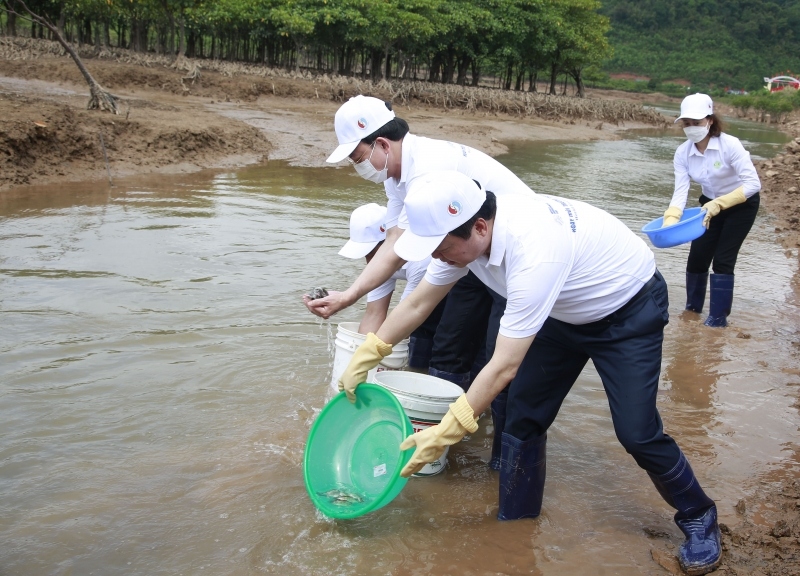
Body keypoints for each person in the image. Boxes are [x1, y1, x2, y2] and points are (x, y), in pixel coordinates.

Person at [338, 171, 722, 576]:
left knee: (636, 431)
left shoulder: (534, 248)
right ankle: (515, 527)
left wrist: (447, 431)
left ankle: (698, 515)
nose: (435, 256)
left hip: (625, 310)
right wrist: (368, 353)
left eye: (439, 248)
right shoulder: (459, 240)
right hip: (560, 311)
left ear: (480, 227)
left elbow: (503, 365)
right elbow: (418, 305)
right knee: (522, 420)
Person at [304, 95, 536, 468]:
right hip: (469, 254)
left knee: (499, 358)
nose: (358, 167)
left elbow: (411, 275)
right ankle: (453, 443)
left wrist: (372, 347)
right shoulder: (398, 178)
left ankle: (497, 464)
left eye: (358, 158)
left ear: (381, 143)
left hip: (511, 257)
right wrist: (349, 297)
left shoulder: (430, 173)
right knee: (451, 350)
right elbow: (395, 242)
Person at [662, 93, 761, 328]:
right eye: (687, 123)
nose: (691, 128)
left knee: (723, 261)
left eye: (696, 123)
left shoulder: (730, 145)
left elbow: (753, 184)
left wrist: (720, 204)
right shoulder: (682, 153)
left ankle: (717, 319)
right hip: (708, 205)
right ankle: (692, 311)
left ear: (710, 120)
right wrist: (671, 219)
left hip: (741, 205)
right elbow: (680, 191)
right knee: (697, 259)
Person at [337, 202, 444, 369]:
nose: (369, 261)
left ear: (389, 241)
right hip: (419, 299)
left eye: (372, 252)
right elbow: (374, 313)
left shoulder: (421, 260)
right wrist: (357, 360)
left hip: (451, 285)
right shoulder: (380, 264)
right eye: (365, 254)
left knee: (434, 343)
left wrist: (372, 358)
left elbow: (408, 314)